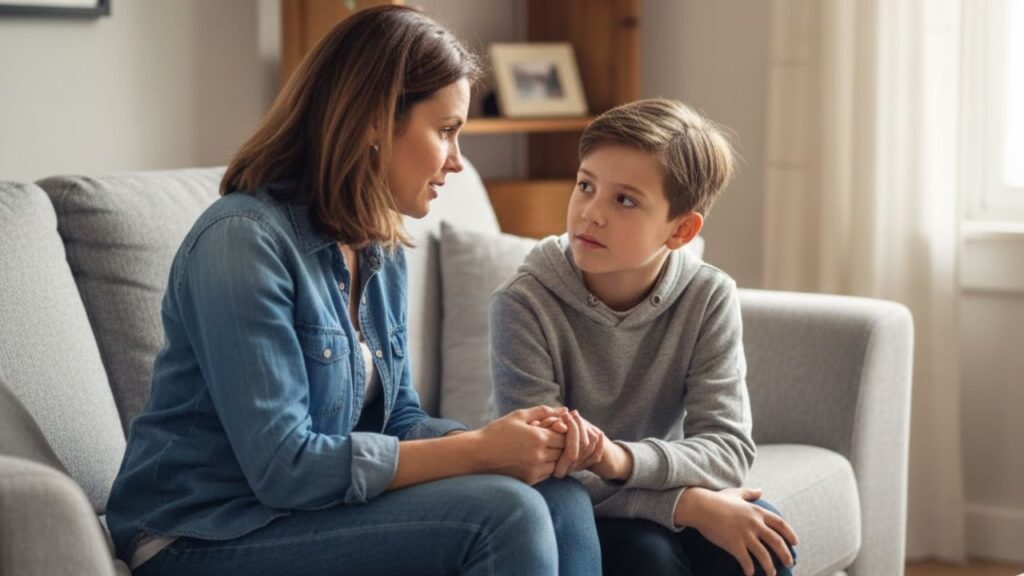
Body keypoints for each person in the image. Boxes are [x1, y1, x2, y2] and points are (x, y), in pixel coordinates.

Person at [104, 6, 600, 576]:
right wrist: (479, 453)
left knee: (560, 495)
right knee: (505, 512)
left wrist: (509, 443)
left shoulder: (377, 241)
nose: (459, 162)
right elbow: (285, 467)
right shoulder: (241, 243)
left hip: (302, 516)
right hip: (201, 533)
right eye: (445, 131)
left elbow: (398, 418)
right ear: (373, 121)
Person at [490, 98, 800, 576]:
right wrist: (686, 506)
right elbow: (540, 464)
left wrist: (622, 459)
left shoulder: (708, 297)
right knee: (646, 558)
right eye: (585, 186)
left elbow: (728, 449)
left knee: (763, 540)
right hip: (572, 503)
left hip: (651, 478)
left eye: (625, 200)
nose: (590, 213)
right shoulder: (523, 302)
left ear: (680, 230)